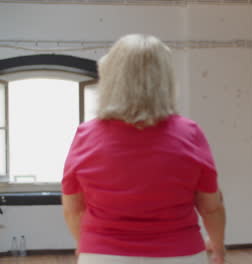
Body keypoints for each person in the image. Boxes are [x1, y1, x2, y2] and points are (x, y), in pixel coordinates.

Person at [61, 34, 226, 264]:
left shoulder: (86, 135)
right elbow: (211, 207)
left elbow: (72, 209)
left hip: (103, 255)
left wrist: (86, 244)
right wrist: (218, 247)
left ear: (109, 77)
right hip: (179, 254)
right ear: (165, 79)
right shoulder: (189, 133)